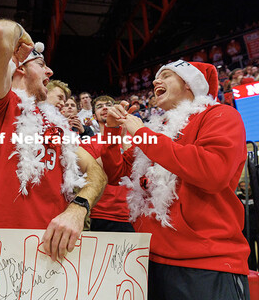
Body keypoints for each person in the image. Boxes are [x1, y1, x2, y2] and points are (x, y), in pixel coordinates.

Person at [103, 60, 250, 299]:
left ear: (190, 84)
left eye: (167, 76)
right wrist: (110, 131)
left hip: (206, 263)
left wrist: (142, 134)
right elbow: (116, 172)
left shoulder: (221, 115)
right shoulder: (157, 128)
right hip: (150, 258)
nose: (154, 82)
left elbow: (213, 172)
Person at [0, 19, 107, 261]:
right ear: (19, 68)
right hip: (5, 250)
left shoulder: (57, 124)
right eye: (41, 63)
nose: (50, 71)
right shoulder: (1, 106)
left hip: (57, 250)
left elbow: (97, 173)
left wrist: (79, 208)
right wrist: (26, 41)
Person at [81, 96, 133, 232]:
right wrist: (114, 138)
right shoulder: (87, 143)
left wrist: (123, 139)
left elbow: (138, 166)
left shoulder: (133, 138)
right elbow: (94, 169)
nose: (105, 108)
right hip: (102, 214)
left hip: (134, 212)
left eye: (109, 105)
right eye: (99, 106)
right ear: (94, 116)